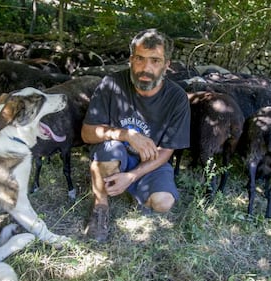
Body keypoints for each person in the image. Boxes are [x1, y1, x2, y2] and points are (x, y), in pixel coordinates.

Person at [81, 29, 190, 242]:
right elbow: (87, 133)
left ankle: (131, 187)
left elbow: (166, 150)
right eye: (139, 59)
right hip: (115, 152)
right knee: (110, 149)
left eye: (155, 60)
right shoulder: (112, 84)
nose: (146, 68)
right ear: (131, 59)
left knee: (163, 203)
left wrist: (132, 176)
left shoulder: (177, 98)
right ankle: (100, 208)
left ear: (167, 64)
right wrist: (127, 135)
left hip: (150, 160)